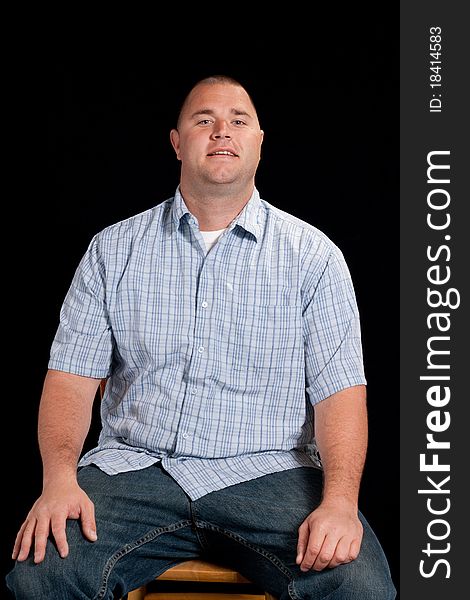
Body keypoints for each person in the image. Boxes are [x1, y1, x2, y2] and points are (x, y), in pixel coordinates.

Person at [6, 75, 396, 599]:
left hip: (272, 471)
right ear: (176, 141)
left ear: (259, 141)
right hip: (134, 469)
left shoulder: (314, 257)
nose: (221, 132)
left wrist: (341, 503)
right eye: (203, 120)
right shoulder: (112, 250)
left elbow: (341, 395)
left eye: (238, 121)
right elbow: (71, 382)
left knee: (359, 585)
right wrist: (58, 482)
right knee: (42, 575)